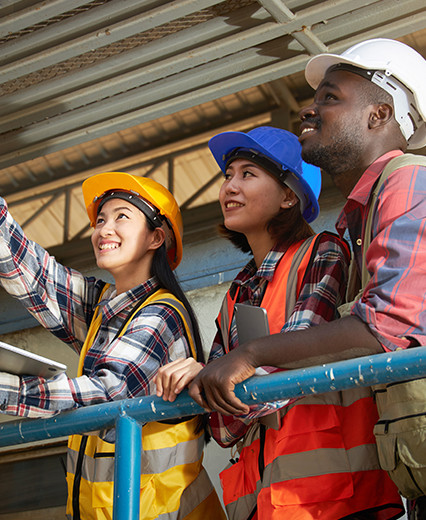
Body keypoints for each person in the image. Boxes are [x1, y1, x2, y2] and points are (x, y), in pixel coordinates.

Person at [0, 102, 226, 520]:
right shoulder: (103, 307)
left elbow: (108, 393)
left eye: (122, 217)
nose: (104, 229)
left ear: (156, 238)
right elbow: (26, 271)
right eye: (100, 219)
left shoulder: (163, 314)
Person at [185, 38, 426, 519]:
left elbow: (388, 327)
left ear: (379, 115)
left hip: (329, 500)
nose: (308, 110)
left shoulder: (409, 182)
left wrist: (249, 354)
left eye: (330, 98)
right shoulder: (361, 218)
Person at [155, 125, 405, 520]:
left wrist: (218, 380)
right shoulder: (236, 292)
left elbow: (292, 358)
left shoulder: (323, 252)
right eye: (227, 176)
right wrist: (205, 380)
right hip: (261, 502)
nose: (229, 188)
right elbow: (222, 429)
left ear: (289, 195)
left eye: (247, 175)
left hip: (337, 498)